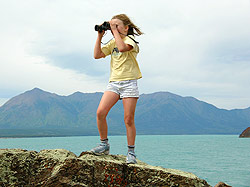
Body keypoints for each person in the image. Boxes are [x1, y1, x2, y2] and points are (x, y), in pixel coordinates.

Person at [91, 14, 143, 164]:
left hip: (129, 83)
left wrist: (113, 31)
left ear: (126, 28)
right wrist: (100, 36)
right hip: (114, 83)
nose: (114, 28)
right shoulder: (113, 42)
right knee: (100, 112)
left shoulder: (130, 41)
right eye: (112, 25)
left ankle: (131, 152)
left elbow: (121, 48)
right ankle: (104, 144)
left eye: (117, 25)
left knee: (128, 119)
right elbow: (97, 55)